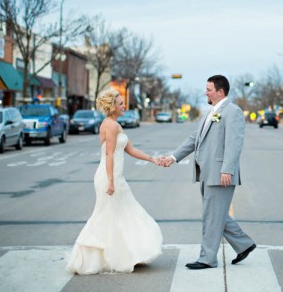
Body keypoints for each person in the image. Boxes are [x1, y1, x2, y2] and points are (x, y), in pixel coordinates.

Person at [158, 75, 256, 270]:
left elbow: (234, 144)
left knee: (211, 217)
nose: (206, 92)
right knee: (216, 214)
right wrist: (173, 157)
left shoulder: (233, 112)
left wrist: (227, 170)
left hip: (220, 174)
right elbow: (194, 138)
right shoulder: (210, 113)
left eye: (209, 89)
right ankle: (244, 244)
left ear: (220, 91)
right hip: (207, 173)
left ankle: (207, 259)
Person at [66, 89, 163, 274]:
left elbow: (131, 150)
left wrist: (153, 159)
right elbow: (109, 154)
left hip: (116, 177)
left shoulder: (115, 124)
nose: (124, 105)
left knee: (124, 214)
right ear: (112, 107)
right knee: (106, 215)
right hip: (108, 177)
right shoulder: (109, 125)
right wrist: (111, 181)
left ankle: (128, 255)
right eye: (120, 103)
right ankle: (89, 257)